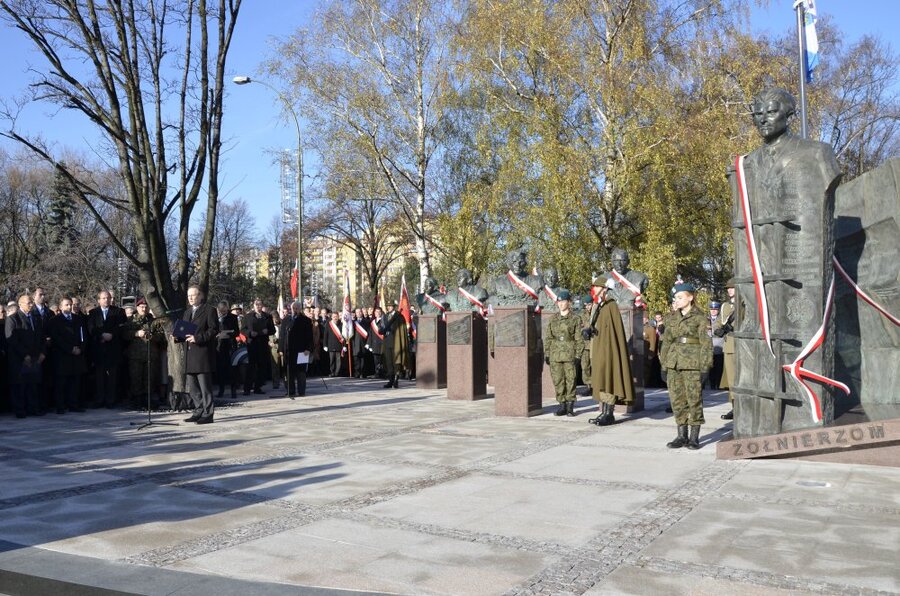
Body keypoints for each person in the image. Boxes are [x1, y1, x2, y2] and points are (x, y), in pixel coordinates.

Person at [660, 283, 712, 450]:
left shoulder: (700, 317)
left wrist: (705, 367)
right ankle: (681, 435)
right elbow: (667, 342)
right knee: (677, 400)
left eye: (680, 297)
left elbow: (706, 344)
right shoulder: (671, 318)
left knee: (694, 399)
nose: (677, 300)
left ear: (690, 297)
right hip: (674, 363)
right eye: (676, 298)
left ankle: (694, 437)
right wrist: (664, 365)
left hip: (692, 363)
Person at [584, 276, 635, 426]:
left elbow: (613, 332)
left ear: (604, 288)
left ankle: (609, 413)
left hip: (608, 350)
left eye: (597, 287)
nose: (594, 289)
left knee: (609, 379)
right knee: (602, 379)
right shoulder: (599, 305)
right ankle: (604, 411)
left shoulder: (610, 305)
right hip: (600, 348)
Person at [180, 286, 219, 424]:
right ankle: (198, 411)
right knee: (193, 387)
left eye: (193, 295)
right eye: (188, 296)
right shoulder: (187, 312)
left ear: (200, 296)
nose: (190, 298)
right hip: (190, 355)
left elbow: (214, 330)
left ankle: (208, 414)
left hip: (202, 354)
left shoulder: (209, 310)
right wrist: (177, 336)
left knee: (205, 387)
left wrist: (198, 338)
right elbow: (183, 330)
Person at [6, 294, 46, 418]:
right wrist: (24, 354)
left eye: (31, 302)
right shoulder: (13, 318)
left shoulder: (36, 318)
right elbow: (11, 339)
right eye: (28, 303)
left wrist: (42, 352)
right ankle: (20, 409)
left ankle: (33, 408)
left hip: (35, 357)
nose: (31, 304)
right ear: (21, 304)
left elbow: (41, 337)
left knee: (33, 384)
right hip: (20, 359)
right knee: (20, 385)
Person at [544, 289, 583, 417]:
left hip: (569, 353)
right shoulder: (552, 319)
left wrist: (578, 355)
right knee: (558, 380)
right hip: (555, 354)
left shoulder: (575, 319)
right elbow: (548, 337)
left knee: (570, 380)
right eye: (559, 301)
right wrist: (547, 354)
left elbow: (579, 339)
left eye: (563, 301)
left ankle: (570, 405)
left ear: (569, 302)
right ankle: (562, 404)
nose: (560, 304)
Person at [46, 297, 88, 414]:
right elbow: (56, 338)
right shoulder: (54, 320)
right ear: (60, 306)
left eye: (71, 305)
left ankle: (73, 404)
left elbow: (83, 335)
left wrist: (81, 348)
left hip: (77, 356)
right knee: (61, 383)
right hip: (62, 356)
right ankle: (61, 406)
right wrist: (70, 349)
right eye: (66, 305)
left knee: (75, 383)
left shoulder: (78, 319)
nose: (69, 307)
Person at [87, 290, 126, 408]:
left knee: (112, 376)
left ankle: (111, 400)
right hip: (99, 348)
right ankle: (99, 400)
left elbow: (121, 327)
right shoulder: (93, 312)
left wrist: (111, 335)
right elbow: (91, 328)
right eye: (103, 298)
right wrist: (102, 335)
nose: (106, 300)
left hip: (113, 348)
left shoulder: (119, 311)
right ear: (98, 300)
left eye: (108, 298)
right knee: (99, 376)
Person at [241, 299, 275, 394]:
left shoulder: (267, 316)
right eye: (256, 305)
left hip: (263, 344)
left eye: (260, 304)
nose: (258, 306)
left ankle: (258, 387)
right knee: (251, 367)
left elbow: (273, 330)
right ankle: (247, 388)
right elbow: (243, 329)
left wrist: (267, 331)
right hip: (252, 344)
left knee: (262, 367)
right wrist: (250, 333)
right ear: (253, 306)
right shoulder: (248, 316)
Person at [715, 279, 738, 419]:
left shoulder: (744, 304)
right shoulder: (725, 306)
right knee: (731, 379)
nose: (729, 290)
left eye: (732, 288)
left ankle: (742, 407)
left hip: (741, 345)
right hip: (728, 345)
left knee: (740, 379)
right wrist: (718, 329)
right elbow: (718, 321)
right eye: (728, 288)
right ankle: (734, 407)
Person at [283, 301, 313, 397]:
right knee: (289, 372)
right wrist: (281, 349)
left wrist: (308, 348)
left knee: (301, 372)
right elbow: (282, 336)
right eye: (293, 308)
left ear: (300, 309)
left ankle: (301, 391)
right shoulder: (286, 320)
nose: (295, 310)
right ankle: (290, 391)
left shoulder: (306, 320)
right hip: (289, 351)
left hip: (302, 351)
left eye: (297, 308)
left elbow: (309, 336)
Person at [379, 301, 410, 388]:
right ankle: (390, 380)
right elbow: (381, 329)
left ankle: (396, 379)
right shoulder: (384, 316)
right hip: (387, 341)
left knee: (396, 361)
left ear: (394, 307)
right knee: (388, 362)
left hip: (396, 341)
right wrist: (382, 330)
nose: (388, 307)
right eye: (387, 306)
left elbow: (401, 330)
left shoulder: (399, 317)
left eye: (390, 306)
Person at [215, 301, 239, 399]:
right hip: (219, 346)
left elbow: (237, 331)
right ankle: (221, 389)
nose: (223, 312)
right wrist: (216, 335)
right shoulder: (215, 318)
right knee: (221, 369)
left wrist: (230, 334)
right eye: (221, 311)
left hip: (230, 345)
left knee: (232, 369)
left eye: (224, 310)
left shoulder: (232, 318)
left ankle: (233, 390)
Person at [708, 301, 724, 389]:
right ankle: (712, 385)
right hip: (709, 347)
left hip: (719, 346)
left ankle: (718, 384)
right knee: (711, 367)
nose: (713, 311)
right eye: (712, 309)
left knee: (719, 367)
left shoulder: (721, 319)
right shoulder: (706, 319)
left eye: (715, 309)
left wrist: (712, 330)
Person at [324, 311, 345, 377]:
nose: (335, 318)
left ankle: (337, 373)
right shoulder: (328, 324)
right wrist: (325, 345)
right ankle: (332, 372)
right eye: (333, 317)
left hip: (339, 345)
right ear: (331, 317)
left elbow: (344, 336)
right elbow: (325, 335)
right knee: (332, 360)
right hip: (331, 345)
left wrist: (344, 345)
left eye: (336, 317)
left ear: (338, 317)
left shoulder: (341, 324)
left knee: (338, 361)